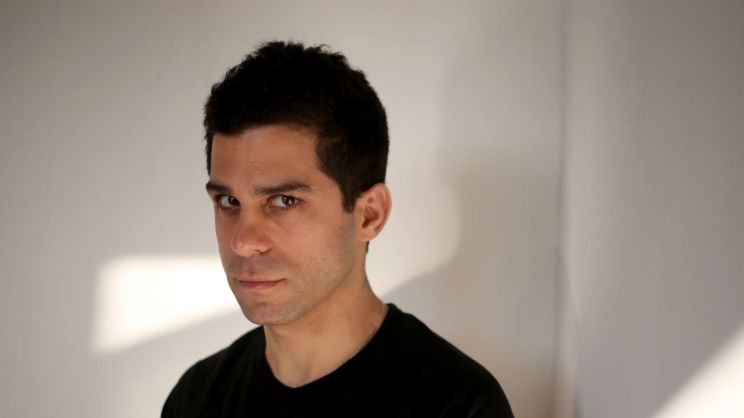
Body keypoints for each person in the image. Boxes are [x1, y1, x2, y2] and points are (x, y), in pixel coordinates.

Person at [162, 40, 513, 418]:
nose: (243, 242)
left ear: (369, 216)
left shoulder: (457, 406)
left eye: (284, 201)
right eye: (229, 201)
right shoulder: (196, 398)